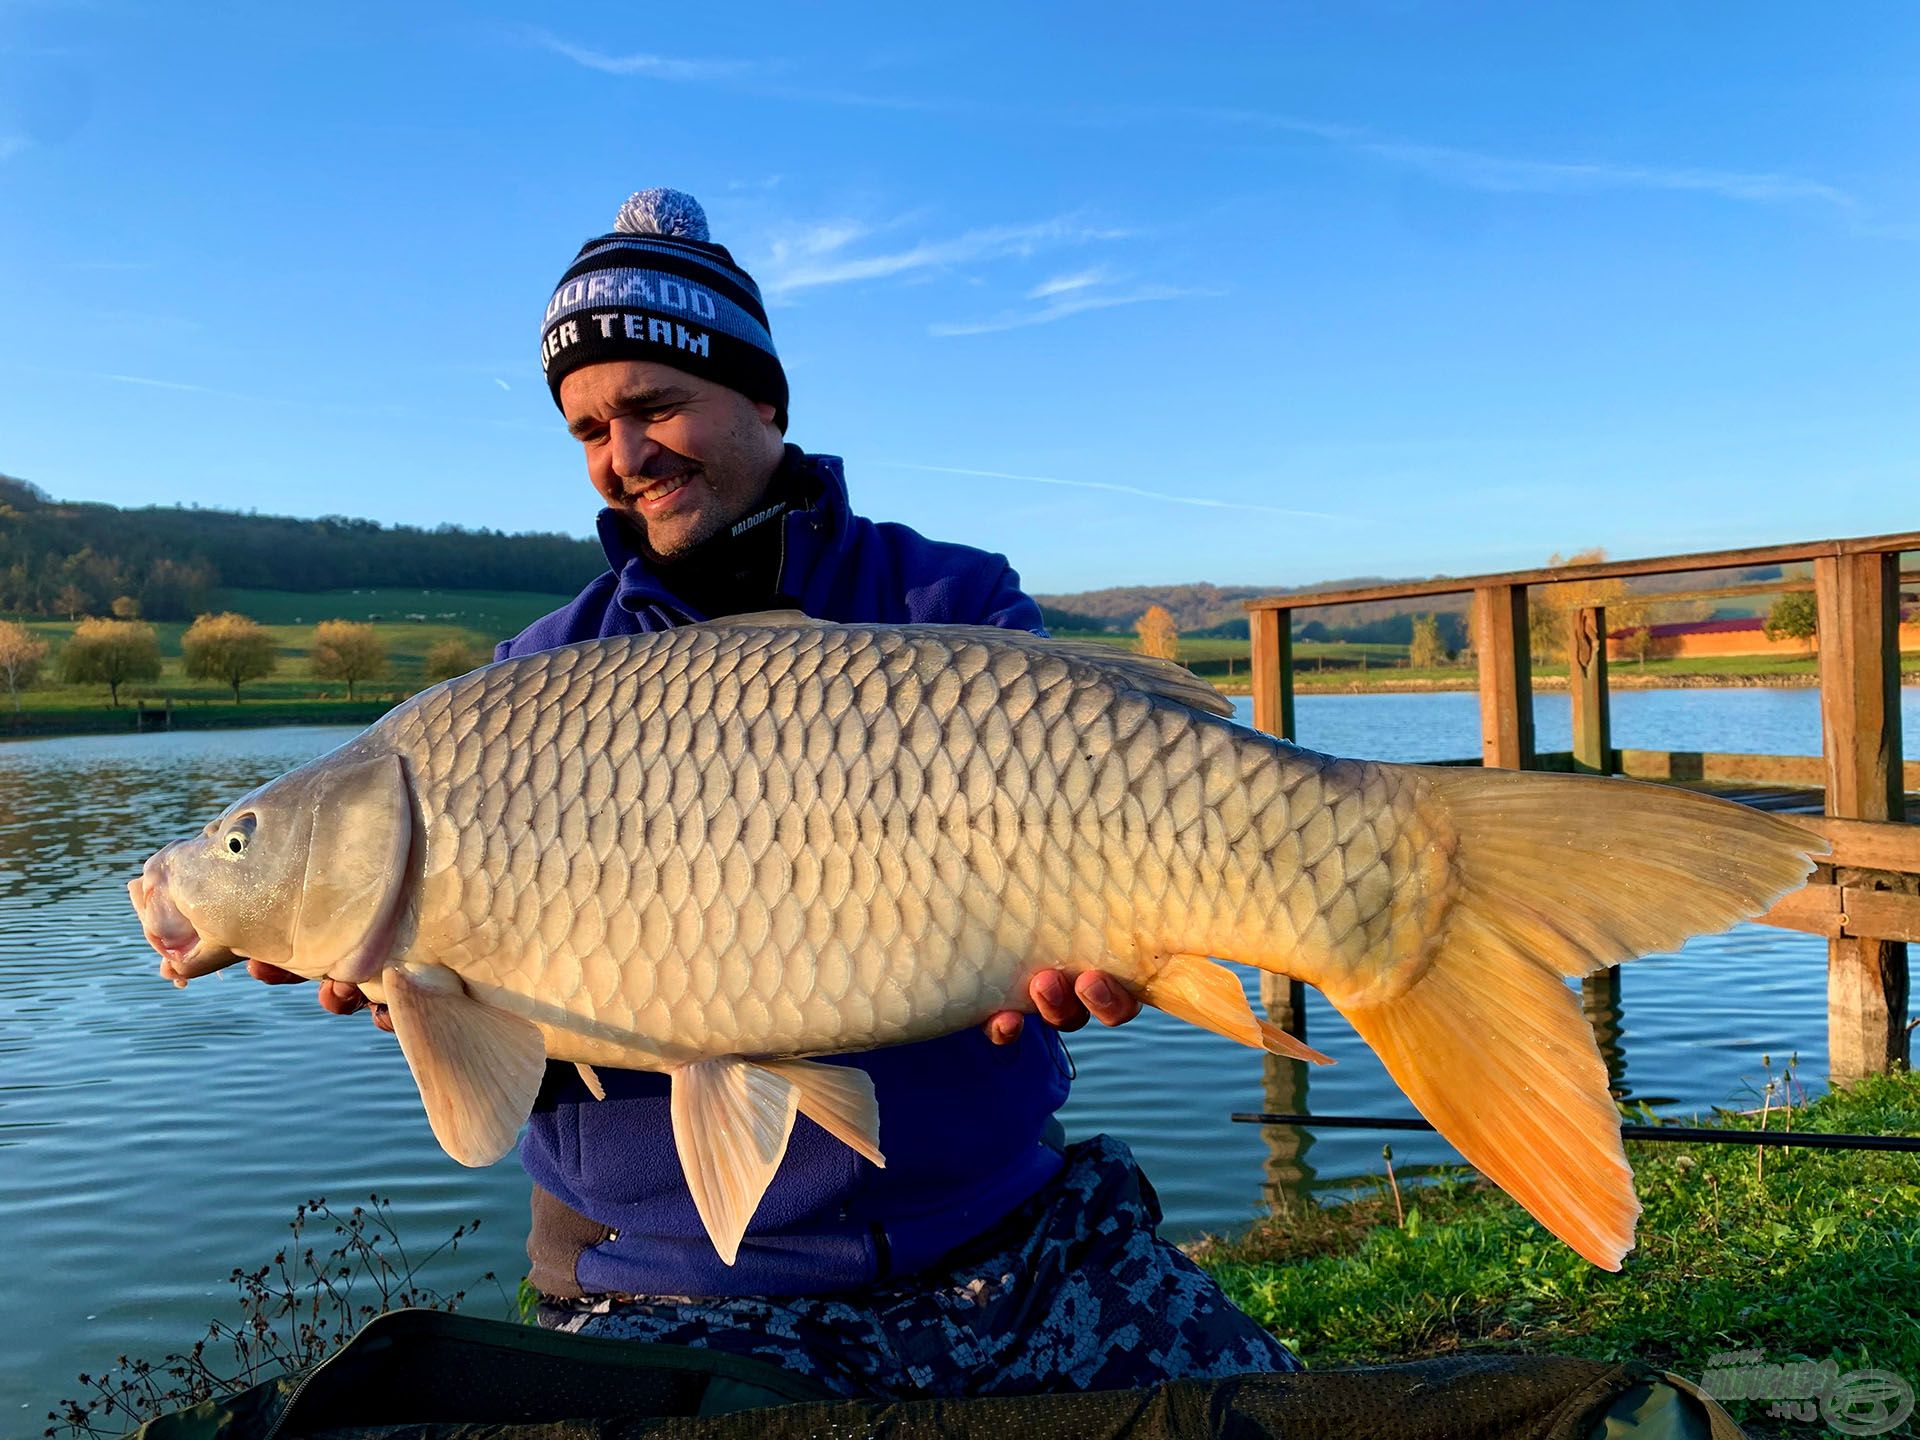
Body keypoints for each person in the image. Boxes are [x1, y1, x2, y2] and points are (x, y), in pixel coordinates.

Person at [254, 188, 1298, 1398]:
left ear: (764, 397)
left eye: (655, 406)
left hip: (1003, 1240)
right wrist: (422, 998)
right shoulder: (523, 687)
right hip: (665, 1278)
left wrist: (1113, 952)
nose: (624, 459)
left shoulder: (942, 602)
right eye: (588, 430)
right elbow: (496, 1082)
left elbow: (1085, 891)